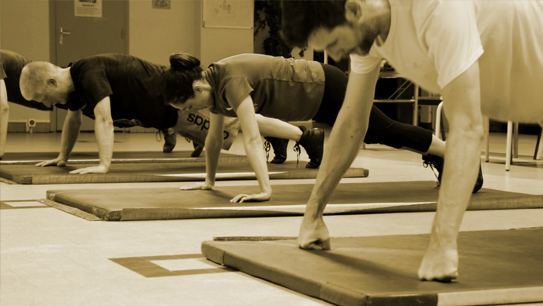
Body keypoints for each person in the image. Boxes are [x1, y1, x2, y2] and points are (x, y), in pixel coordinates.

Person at [280, 0, 543, 282]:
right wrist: (313, 214)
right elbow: (352, 121)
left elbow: (466, 128)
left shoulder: (435, 7)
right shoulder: (366, 34)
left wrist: (443, 244)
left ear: (354, 9)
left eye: (333, 42)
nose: (334, 54)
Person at [161, 52, 479, 203]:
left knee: (385, 132)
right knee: (378, 135)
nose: (192, 111)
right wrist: (209, 181)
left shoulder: (229, 79)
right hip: (315, 101)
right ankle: (445, 155)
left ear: (197, 88)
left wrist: (265, 189)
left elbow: (253, 137)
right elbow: (215, 138)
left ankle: (458, 155)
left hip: (326, 85)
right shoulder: (213, 90)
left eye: (188, 105)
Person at [19, 53, 183, 174]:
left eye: (44, 97)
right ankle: (172, 130)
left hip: (175, 101)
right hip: (156, 111)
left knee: (206, 137)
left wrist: (103, 165)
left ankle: (179, 132)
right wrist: (62, 157)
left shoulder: (89, 74)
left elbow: (104, 120)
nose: (47, 104)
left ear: (52, 82)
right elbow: (73, 120)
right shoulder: (73, 83)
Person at [1, 50, 53, 159]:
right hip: (37, 94)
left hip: (49, 89)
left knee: (88, 104)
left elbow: (2, 106)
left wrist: (0, 150)